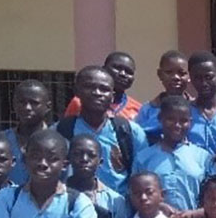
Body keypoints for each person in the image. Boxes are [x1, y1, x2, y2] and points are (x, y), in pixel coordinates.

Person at [57, 66, 148, 194]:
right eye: (90, 87)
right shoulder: (60, 131)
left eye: (104, 89)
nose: (97, 93)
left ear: (112, 96)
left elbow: (143, 175)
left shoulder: (130, 132)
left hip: (118, 210)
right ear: (77, 91)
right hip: (73, 209)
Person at [132, 95, 213, 218]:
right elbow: (133, 194)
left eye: (183, 120)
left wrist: (194, 214)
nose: (177, 125)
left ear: (190, 122)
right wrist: (158, 206)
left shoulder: (203, 157)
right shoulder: (143, 158)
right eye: (170, 119)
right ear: (160, 119)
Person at [64, 51, 141, 120]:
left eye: (129, 72)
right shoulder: (80, 102)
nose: (123, 74)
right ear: (104, 69)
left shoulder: (138, 109)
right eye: (117, 68)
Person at [185, 51, 216, 154]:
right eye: (198, 78)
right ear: (191, 80)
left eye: (209, 77)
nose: (204, 83)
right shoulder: (184, 114)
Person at [136, 50, 190, 143]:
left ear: (189, 75)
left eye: (181, 73)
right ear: (160, 74)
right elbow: (138, 140)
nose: (176, 77)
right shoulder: (148, 110)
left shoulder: (195, 108)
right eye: (169, 72)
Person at [5, 80, 52, 185]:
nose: (27, 108)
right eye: (22, 102)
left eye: (34, 103)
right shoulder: (2, 141)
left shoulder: (58, 142)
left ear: (48, 107)